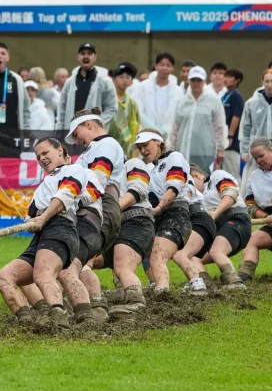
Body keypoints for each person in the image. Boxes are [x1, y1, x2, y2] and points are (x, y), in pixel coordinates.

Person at [0, 137, 86, 329]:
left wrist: (42, 218)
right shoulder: (43, 185)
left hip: (61, 229)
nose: (42, 158)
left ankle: (60, 323)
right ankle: (28, 322)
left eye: (45, 153)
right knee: (4, 277)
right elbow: (31, 215)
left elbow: (65, 196)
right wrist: (31, 222)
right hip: (41, 236)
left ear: (60, 150)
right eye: (38, 156)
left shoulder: (74, 170)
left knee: (43, 275)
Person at [65, 107, 126, 318]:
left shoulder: (106, 144)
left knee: (75, 261)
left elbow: (98, 179)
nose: (77, 140)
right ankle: (93, 305)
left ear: (88, 124)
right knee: (78, 261)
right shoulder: (90, 151)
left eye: (76, 134)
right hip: (93, 208)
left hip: (101, 207)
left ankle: (90, 309)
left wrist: (73, 202)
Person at [134, 129, 204, 294]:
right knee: (147, 250)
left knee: (158, 256)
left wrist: (158, 207)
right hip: (163, 217)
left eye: (145, 145)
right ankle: (196, 282)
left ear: (158, 141)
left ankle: (162, 291)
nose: (143, 150)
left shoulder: (174, 157)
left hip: (175, 214)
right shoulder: (151, 170)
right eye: (139, 147)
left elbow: (174, 188)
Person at [104, 158, 155, 314]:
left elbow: (139, 189)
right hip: (115, 224)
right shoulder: (100, 176)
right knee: (84, 260)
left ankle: (136, 300)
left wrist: (112, 210)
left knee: (123, 266)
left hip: (136, 220)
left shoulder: (132, 164)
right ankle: (90, 302)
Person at [189, 165, 247, 289]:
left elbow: (231, 194)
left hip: (236, 220)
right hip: (218, 229)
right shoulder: (197, 198)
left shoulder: (216, 175)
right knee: (192, 256)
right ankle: (207, 284)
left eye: (189, 183)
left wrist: (215, 213)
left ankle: (234, 282)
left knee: (216, 250)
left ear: (196, 176)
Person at [168, 65, 227, 172]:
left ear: (204, 81)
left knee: (204, 181)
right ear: (189, 81)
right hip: (184, 150)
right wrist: (170, 148)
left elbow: (220, 126)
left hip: (206, 151)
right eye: (193, 80)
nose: (196, 83)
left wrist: (221, 148)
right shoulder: (182, 101)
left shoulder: (213, 101)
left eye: (199, 80)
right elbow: (175, 126)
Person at [57, 43, 117, 130]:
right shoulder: (69, 83)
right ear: (78, 57)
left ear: (95, 57)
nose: (86, 56)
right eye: (83, 53)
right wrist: (59, 132)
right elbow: (62, 109)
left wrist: (96, 124)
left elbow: (112, 109)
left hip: (94, 134)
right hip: (71, 133)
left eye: (89, 53)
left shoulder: (105, 82)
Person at [237, 138, 272, 281]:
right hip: (270, 221)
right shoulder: (253, 177)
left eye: (261, 155)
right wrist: (266, 217)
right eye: (255, 158)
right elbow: (250, 206)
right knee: (252, 239)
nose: (258, 160)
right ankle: (244, 276)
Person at [238, 69, 272, 196]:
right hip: (256, 153)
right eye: (267, 81)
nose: (270, 85)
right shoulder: (252, 104)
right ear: (262, 82)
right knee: (250, 183)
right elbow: (245, 128)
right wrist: (245, 151)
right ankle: (247, 210)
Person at [133, 53, 182, 139]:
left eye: (168, 65)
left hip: (169, 135)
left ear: (172, 68)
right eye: (162, 65)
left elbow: (178, 114)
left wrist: (166, 129)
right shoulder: (142, 87)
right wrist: (153, 129)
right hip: (146, 133)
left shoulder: (178, 91)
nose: (165, 68)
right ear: (156, 66)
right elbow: (138, 110)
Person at [110, 63, 142, 154]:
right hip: (110, 146)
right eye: (121, 77)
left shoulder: (132, 103)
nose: (124, 80)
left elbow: (138, 125)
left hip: (128, 150)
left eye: (128, 77)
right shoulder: (108, 100)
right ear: (114, 79)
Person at [222, 68, 245, 180]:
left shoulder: (236, 95)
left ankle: (238, 196)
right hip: (223, 140)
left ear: (237, 80)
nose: (226, 79)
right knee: (225, 172)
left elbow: (236, 117)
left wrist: (230, 135)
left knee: (232, 175)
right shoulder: (225, 95)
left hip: (232, 142)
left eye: (230, 76)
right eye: (225, 76)